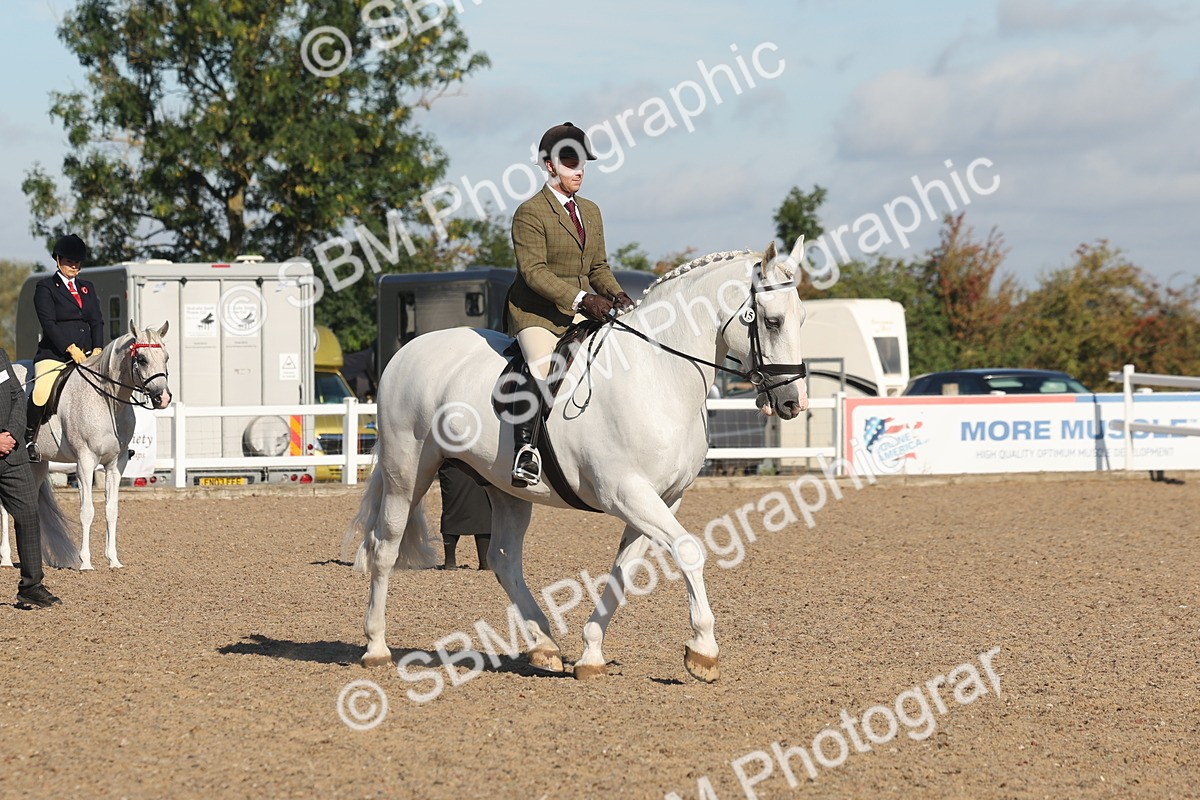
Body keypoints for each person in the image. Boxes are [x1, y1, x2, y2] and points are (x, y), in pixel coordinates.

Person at [504, 122, 635, 487]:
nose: (578, 170)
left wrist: (617, 294)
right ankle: (525, 452)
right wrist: (582, 299)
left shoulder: (590, 210)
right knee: (543, 368)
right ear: (549, 166)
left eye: (582, 162)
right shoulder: (530, 212)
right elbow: (534, 272)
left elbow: (598, 267)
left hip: (585, 306)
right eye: (569, 162)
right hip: (537, 313)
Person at [25, 233, 105, 462]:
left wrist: (98, 348)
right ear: (58, 260)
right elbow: (48, 324)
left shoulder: (87, 287)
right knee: (41, 388)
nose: (74, 265)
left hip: (88, 354)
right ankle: (29, 437)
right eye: (70, 261)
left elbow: (96, 320)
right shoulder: (46, 288)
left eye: (78, 261)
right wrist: (70, 348)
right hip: (55, 354)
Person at [0, 346, 61, 608]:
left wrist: (12, 434)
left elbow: (16, 395)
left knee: (27, 513)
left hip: (11, 453)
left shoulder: (0, 355)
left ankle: (31, 586)